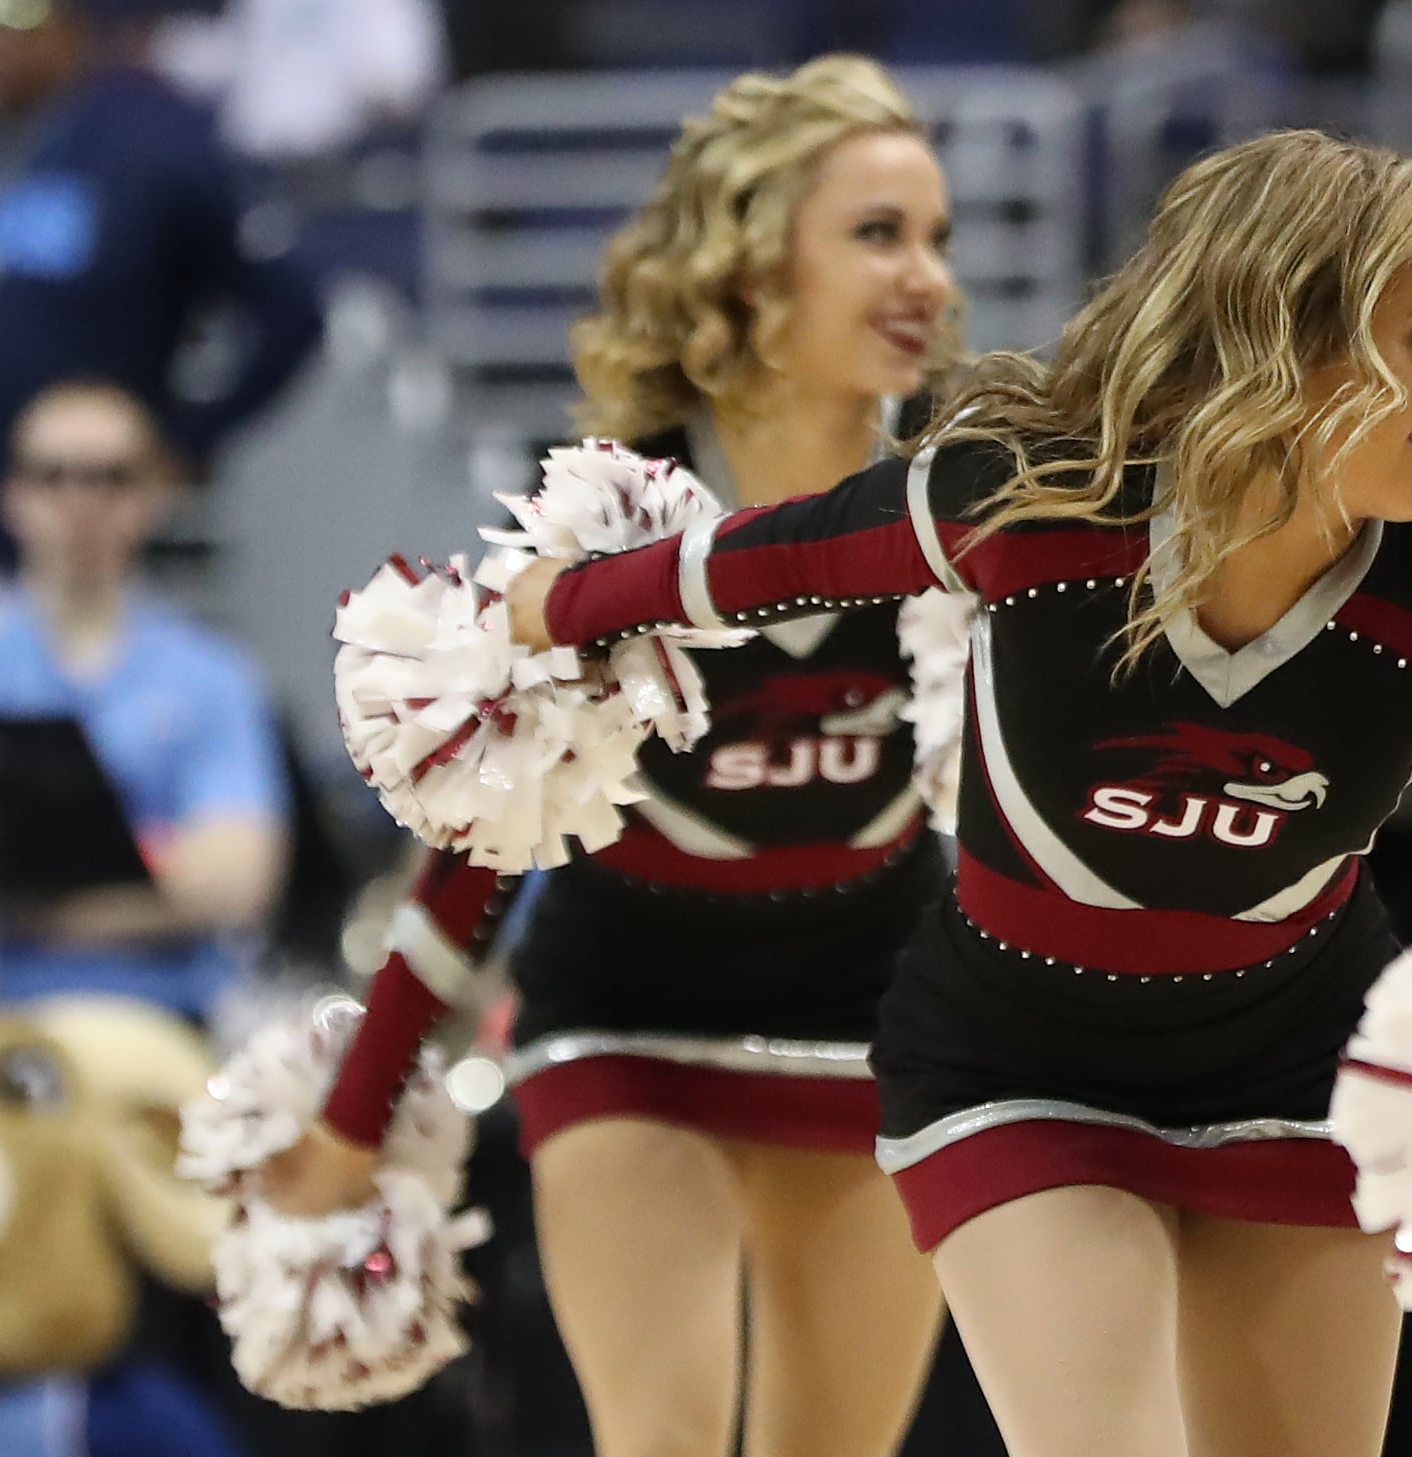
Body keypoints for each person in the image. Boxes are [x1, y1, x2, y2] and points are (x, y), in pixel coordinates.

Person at [290, 128, 1412, 1456]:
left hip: (1290, 1073)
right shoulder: (1022, 503)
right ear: (1280, 335)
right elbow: (739, 575)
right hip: (984, 1068)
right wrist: (552, 608)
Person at [289, 56, 963, 1457]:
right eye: (879, 235)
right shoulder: (609, 520)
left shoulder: (961, 512)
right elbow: (477, 852)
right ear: (747, 265)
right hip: (628, 1028)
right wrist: (353, 1125)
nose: (929, 280)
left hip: (872, 1033)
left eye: (939, 239)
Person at [0, 0, 321, 633]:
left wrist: (185, 441)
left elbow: (288, 313)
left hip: (62, 533)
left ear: (71, 31)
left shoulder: (147, 163)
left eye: (22, 17)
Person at [0, 377, 290, 1020]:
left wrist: (24, 902)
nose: (80, 502)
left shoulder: (214, 677)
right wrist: (156, 874)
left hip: (165, 1018)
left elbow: (237, 881)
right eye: (54, 476)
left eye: (109, 477)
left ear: (152, 495)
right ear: (13, 496)